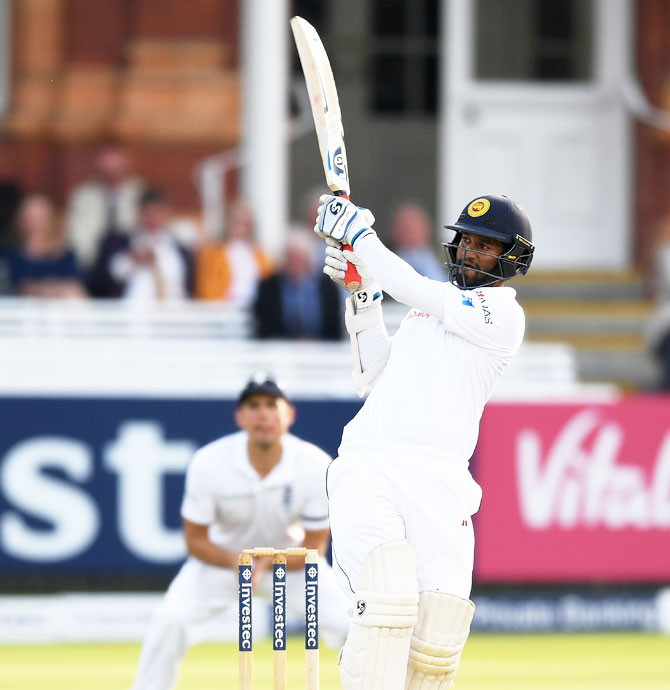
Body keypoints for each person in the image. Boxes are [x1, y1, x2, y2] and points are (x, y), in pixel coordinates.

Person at [315, 193, 535, 690]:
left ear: (512, 257)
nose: (471, 251)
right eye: (467, 241)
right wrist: (362, 294)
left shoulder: (501, 315)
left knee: (437, 641)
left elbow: (408, 284)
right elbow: (374, 372)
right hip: (371, 465)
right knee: (384, 611)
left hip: (442, 480)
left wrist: (359, 235)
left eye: (486, 245)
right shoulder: (427, 310)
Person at [129, 372, 350, 690]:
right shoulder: (209, 462)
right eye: (253, 405)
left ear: (289, 415)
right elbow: (195, 540)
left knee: (350, 625)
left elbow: (315, 546)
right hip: (222, 562)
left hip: (291, 564)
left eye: (272, 405)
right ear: (240, 416)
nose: (263, 414)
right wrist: (238, 562)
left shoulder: (314, 464)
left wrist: (271, 562)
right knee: (170, 622)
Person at [87, 187, 193, 300]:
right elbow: (99, 282)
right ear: (138, 213)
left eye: (157, 212)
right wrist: (130, 259)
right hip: (130, 313)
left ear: (167, 213)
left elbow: (191, 287)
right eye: (147, 212)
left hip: (175, 313)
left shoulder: (181, 249)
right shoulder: (118, 243)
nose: (152, 218)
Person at [65, 139, 145, 271]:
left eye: (115, 158)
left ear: (126, 160)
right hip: (92, 264)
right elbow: (75, 237)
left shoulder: (140, 192)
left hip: (131, 263)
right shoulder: (82, 196)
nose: (111, 164)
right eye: (106, 158)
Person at [253, 229, 342, 340]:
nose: (295, 265)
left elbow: (334, 328)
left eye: (299, 259)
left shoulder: (327, 287)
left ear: (309, 260)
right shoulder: (268, 287)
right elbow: (265, 328)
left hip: (321, 350)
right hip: (279, 350)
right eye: (291, 259)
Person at [4, 192, 86, 298]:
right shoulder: (10, 256)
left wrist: (44, 289)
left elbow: (77, 288)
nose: (34, 222)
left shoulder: (67, 256)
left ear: (50, 218)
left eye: (39, 217)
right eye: (29, 216)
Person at [194, 198, 273, 306]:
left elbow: (268, 285)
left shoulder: (261, 256)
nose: (242, 228)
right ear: (228, 223)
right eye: (238, 222)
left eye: (246, 224)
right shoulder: (213, 256)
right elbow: (207, 292)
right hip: (224, 312)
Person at [390, 203, 446, 280]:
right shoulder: (389, 262)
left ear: (427, 228)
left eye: (415, 226)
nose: (410, 233)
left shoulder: (446, 256)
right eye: (405, 228)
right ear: (395, 232)